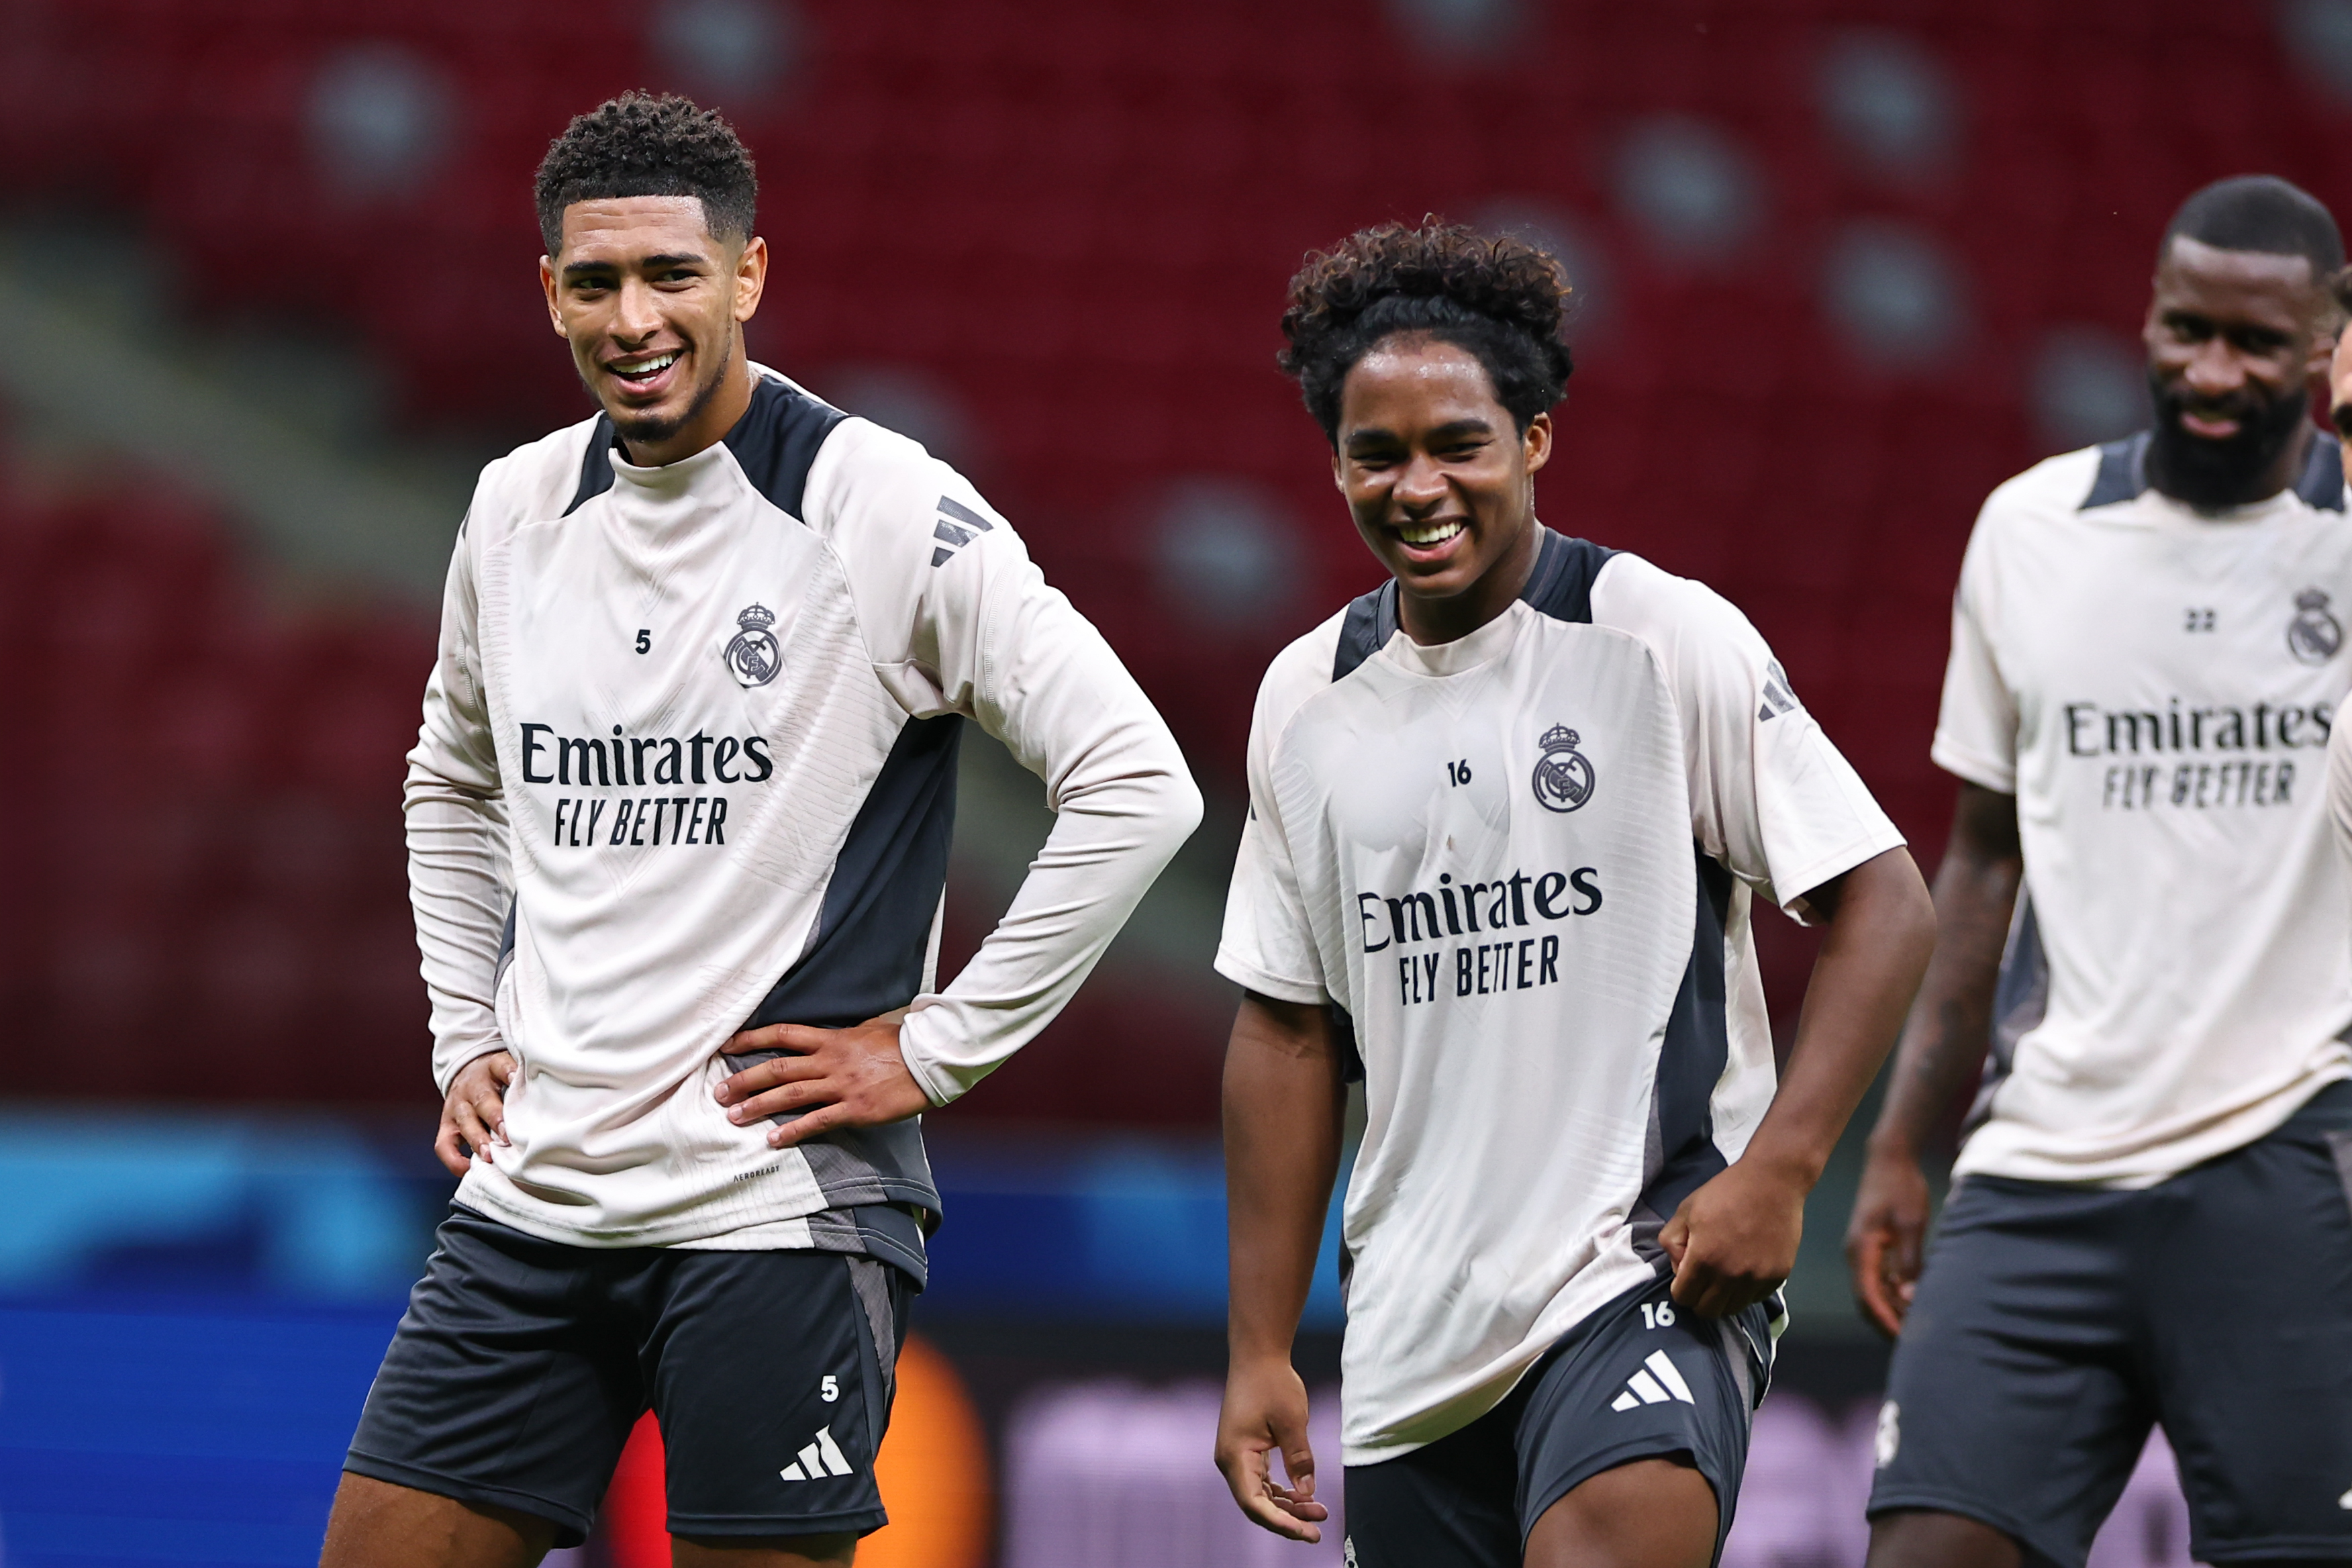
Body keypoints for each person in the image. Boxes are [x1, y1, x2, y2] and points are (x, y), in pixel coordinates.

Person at [319, 93, 1202, 1568]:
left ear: (748, 275)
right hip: (534, 1199)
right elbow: (450, 780)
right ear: (549, 292)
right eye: (596, 281)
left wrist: (936, 1048)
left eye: (672, 274)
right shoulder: (514, 509)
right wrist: (462, 1028)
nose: (634, 318)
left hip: (772, 1208)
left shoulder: (879, 506)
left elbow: (1138, 782)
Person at [1211, 219, 1936, 1568]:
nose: (1418, 487)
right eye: (1378, 455)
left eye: (1459, 445)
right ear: (1336, 464)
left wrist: (1780, 1172)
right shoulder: (1304, 698)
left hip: (1644, 1268)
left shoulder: (1655, 633)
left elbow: (1887, 902)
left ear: (1536, 437)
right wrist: (1259, 1345)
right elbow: (1286, 1028)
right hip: (1415, 1327)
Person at [1847, 175, 2352, 1568]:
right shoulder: (2031, 529)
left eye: (2259, 343)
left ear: (2330, 348)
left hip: (2296, 1160)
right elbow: (1984, 855)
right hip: (2044, 1167)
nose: (2211, 371)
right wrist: (1900, 1142)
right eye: (2187, 328)